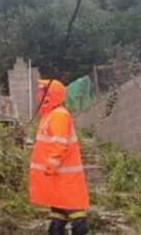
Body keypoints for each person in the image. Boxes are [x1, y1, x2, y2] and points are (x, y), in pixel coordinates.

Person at [29, 79, 89, 235]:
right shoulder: (50, 115)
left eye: (41, 92)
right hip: (58, 177)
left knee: (77, 217)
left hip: (64, 177)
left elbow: (60, 145)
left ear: (49, 95)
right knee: (58, 215)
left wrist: (50, 166)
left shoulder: (58, 115)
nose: (38, 95)